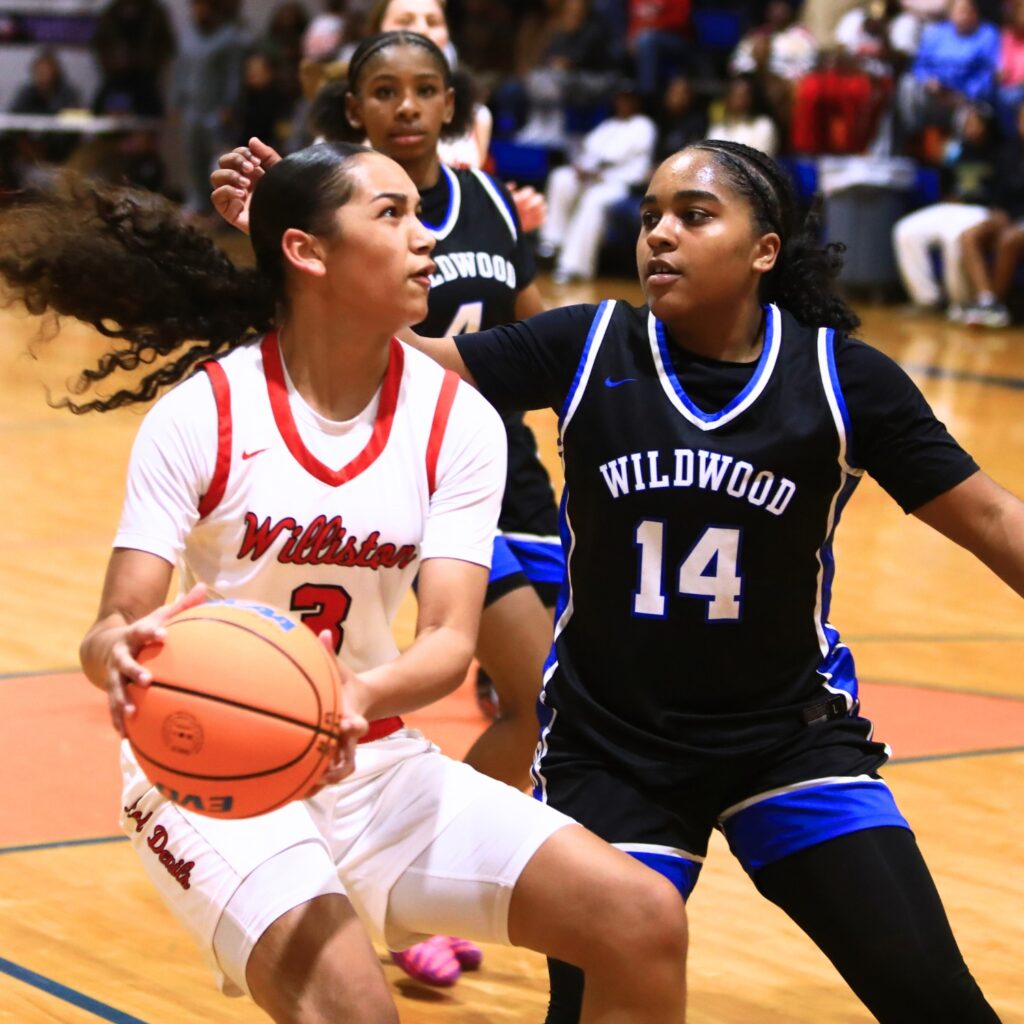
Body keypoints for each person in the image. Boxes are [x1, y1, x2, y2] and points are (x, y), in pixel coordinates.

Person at [0, 142, 688, 1024]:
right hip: (205, 770)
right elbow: (111, 628)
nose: (425, 237)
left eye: (420, 213)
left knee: (642, 918)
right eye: (392, 214)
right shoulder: (203, 414)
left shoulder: (457, 421)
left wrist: (353, 698)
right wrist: (118, 651)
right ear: (307, 251)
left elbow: (447, 641)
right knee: (361, 1010)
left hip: (372, 755)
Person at [406, 138, 1016, 1024]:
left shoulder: (842, 379)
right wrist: (296, 250)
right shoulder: (589, 343)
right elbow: (416, 369)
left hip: (787, 738)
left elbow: (994, 517)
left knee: (933, 996)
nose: (659, 234)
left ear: (764, 249)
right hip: (612, 752)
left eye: (693, 216)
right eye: (651, 215)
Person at [211, 30, 564, 987]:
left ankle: (425, 869)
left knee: (554, 703)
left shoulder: (491, 202)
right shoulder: (325, 206)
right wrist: (255, 234)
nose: (406, 107)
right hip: (402, 480)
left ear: (454, 104)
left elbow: (535, 321)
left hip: (510, 474)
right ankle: (406, 886)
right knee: (539, 685)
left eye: (425, 90)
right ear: (354, 108)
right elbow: (285, 321)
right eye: (383, 91)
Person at [537, 78, 657, 284]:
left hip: (619, 184)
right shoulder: (608, 125)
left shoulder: (643, 125)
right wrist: (582, 168)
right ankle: (552, 241)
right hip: (592, 177)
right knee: (561, 177)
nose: (623, 103)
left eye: (628, 99)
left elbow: (626, 165)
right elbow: (588, 154)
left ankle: (573, 266)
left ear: (636, 102)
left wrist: (596, 172)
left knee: (593, 200)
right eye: (621, 99)